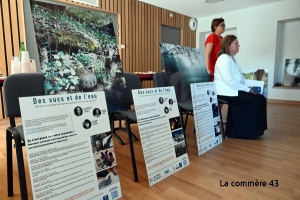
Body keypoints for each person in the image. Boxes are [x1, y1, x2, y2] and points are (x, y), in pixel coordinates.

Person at [214, 35, 267, 139]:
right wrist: (247, 90)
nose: (239, 45)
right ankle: (242, 132)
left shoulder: (233, 60)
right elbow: (229, 80)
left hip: (233, 90)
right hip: (225, 92)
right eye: (236, 43)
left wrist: (249, 87)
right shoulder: (223, 59)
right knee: (254, 101)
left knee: (261, 98)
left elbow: (241, 80)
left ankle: (255, 130)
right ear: (228, 45)